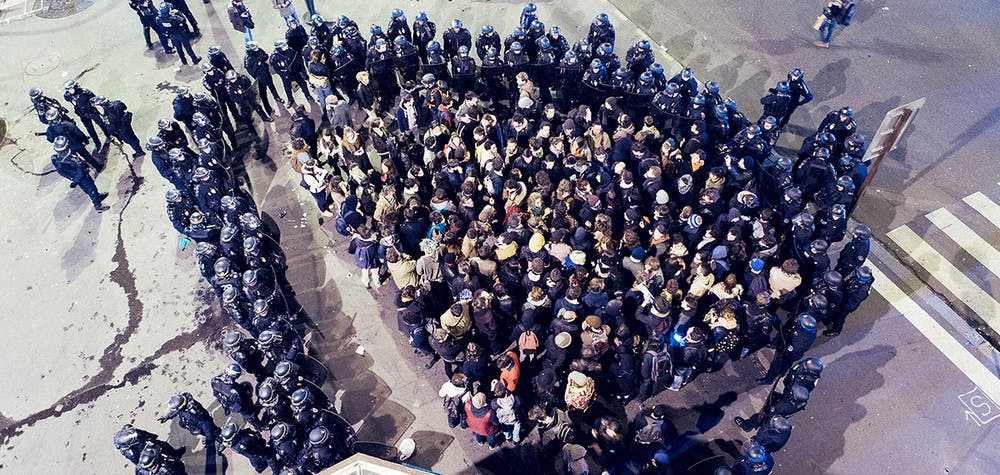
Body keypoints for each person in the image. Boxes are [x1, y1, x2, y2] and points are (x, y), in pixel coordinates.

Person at [50, 137, 109, 211]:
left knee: (88, 189)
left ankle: (97, 197)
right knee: (92, 189)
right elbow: (80, 172)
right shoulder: (73, 159)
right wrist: (75, 181)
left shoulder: (55, 159)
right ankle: (98, 206)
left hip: (76, 178)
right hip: (83, 178)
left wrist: (72, 178)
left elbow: (61, 172)